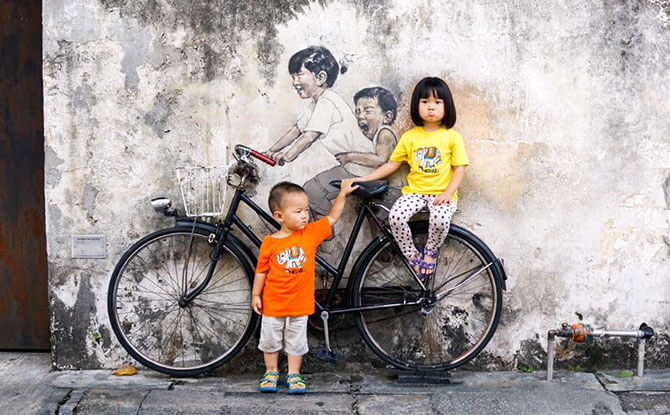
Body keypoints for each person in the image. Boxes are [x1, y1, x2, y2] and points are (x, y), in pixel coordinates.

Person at [351, 77, 469, 279]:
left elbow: (460, 168)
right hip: (414, 193)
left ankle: (431, 252)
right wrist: (365, 179)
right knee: (395, 216)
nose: (431, 108)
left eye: (437, 103)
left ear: (446, 106)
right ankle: (413, 256)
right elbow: (391, 164)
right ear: (417, 106)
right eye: (425, 102)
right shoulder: (410, 137)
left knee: (440, 219)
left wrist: (449, 193)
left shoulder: (451, 137)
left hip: (441, 194)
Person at [251, 179, 357, 394]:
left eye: (306, 210)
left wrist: (343, 194)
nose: (305, 215)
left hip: (300, 305)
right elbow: (261, 271)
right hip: (273, 305)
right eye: (298, 211)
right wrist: (255, 294)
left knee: (296, 343)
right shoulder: (270, 242)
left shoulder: (310, 233)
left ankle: (294, 374)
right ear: (279, 216)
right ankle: (271, 372)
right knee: (270, 342)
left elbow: (332, 218)